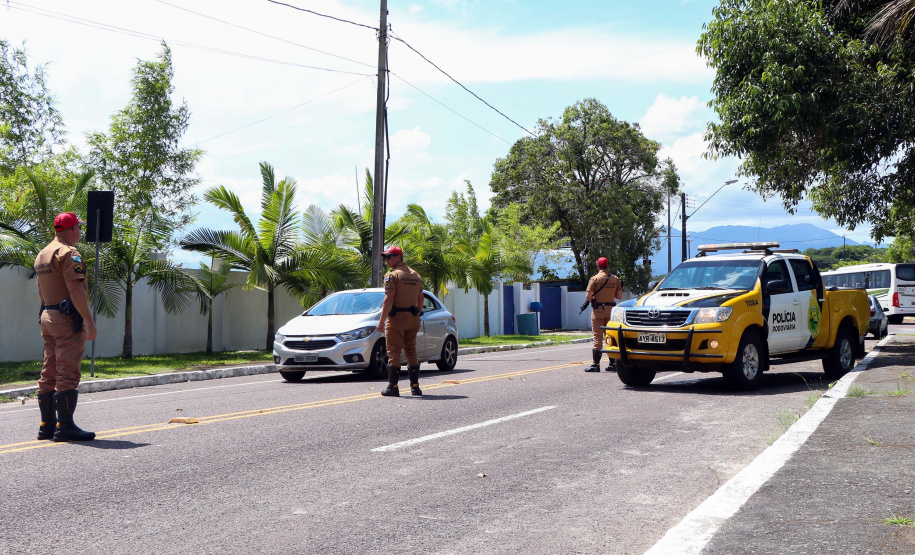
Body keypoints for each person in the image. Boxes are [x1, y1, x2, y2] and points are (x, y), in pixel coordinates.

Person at [33, 212, 97, 441]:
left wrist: (45, 313)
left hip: (47, 315)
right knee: (67, 372)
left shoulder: (43, 254)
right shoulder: (69, 253)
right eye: (78, 228)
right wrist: (88, 321)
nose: (80, 232)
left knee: (49, 371)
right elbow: (75, 289)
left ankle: (46, 426)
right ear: (72, 230)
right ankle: (65, 427)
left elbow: (41, 291)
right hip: (66, 318)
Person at [375, 246, 425, 397]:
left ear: (398, 258)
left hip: (397, 319)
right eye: (386, 257)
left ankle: (393, 386)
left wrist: (382, 320)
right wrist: (418, 311)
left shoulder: (392, 276)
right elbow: (421, 296)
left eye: (389, 257)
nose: (387, 260)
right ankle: (415, 387)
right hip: (413, 318)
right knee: (411, 350)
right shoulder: (415, 275)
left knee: (393, 351)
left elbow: (389, 298)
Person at [585, 257, 623, 372]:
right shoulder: (615, 279)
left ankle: (596, 364)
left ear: (598, 266)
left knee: (598, 337)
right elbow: (619, 296)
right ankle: (613, 363)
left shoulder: (594, 279)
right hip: (611, 310)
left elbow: (588, 297)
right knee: (610, 336)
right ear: (608, 266)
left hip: (598, 311)